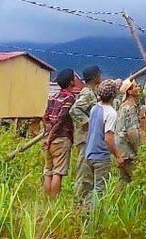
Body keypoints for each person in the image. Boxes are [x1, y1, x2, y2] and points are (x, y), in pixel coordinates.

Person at [78, 79, 126, 206]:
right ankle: (94, 218)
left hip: (89, 153)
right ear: (113, 95)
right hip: (101, 157)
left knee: (88, 188)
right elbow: (108, 139)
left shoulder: (95, 108)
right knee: (99, 190)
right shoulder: (111, 113)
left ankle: (83, 214)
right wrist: (118, 156)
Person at [41, 68, 79, 198]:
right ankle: (53, 201)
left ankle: (47, 200)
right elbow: (60, 120)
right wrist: (51, 136)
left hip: (48, 140)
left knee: (48, 170)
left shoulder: (53, 97)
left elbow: (45, 117)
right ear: (71, 82)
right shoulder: (69, 98)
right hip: (61, 138)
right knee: (58, 171)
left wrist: (46, 135)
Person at [70, 65, 101, 199]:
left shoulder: (92, 93)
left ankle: (84, 202)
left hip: (88, 139)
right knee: (84, 173)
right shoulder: (87, 93)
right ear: (95, 78)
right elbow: (74, 110)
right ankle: (78, 204)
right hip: (84, 139)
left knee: (88, 172)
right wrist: (87, 122)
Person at [114, 79, 142, 182]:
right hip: (127, 150)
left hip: (120, 148)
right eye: (135, 86)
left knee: (124, 179)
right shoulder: (130, 107)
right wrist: (138, 150)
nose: (138, 88)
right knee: (138, 178)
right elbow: (132, 132)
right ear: (129, 92)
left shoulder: (123, 105)